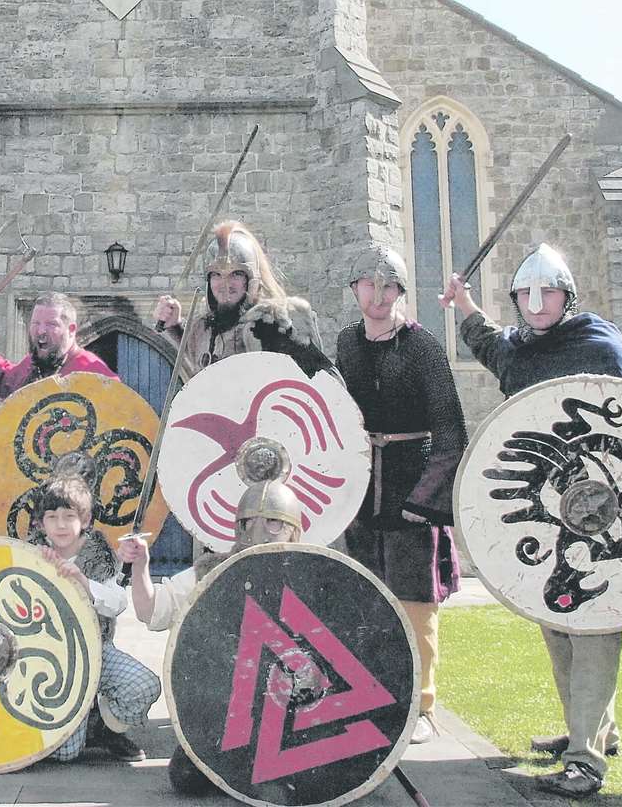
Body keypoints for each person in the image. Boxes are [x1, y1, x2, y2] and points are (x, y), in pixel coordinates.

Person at [441, 243, 622, 798]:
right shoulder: (518, 351)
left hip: (603, 504)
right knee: (555, 611)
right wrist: (462, 302)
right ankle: (596, 729)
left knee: (594, 619)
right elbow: (485, 338)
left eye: (547, 291)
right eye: (526, 294)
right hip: (546, 504)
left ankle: (585, 760)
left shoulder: (597, 341)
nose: (535, 302)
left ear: (566, 295)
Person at [336, 245, 466, 745]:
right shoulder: (347, 344)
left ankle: (421, 705)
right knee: (367, 597)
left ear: (400, 292)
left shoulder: (422, 347)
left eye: (388, 285)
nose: (378, 294)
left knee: (415, 601)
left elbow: (450, 431)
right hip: (362, 485)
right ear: (356, 290)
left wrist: (424, 498)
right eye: (369, 284)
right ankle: (372, 698)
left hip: (413, 483)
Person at [118, 479, 303, 793]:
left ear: (293, 529)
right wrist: (141, 566)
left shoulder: (309, 575)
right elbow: (152, 610)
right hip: (229, 710)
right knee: (187, 777)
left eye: (273, 521)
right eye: (251, 522)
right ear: (238, 527)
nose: (260, 530)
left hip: (289, 712)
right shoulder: (210, 571)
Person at [28, 475, 160, 763]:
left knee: (144, 685)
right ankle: (84, 724)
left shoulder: (99, 556)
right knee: (64, 753)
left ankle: (105, 726)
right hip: (48, 658)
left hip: (95, 650)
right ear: (41, 523)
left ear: (85, 520)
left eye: (69, 516)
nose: (61, 525)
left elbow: (116, 603)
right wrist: (35, 566)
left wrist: (84, 584)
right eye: (52, 517)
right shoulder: (30, 554)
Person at [153, 220, 336, 381]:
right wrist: (174, 326)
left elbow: (327, 383)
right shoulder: (205, 329)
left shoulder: (274, 324)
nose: (226, 284)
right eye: (217, 274)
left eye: (236, 274)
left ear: (251, 280)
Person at [0, 291, 116, 399]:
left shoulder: (95, 374)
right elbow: (6, 380)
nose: (41, 331)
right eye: (36, 323)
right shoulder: (32, 366)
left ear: (71, 330)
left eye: (51, 324)